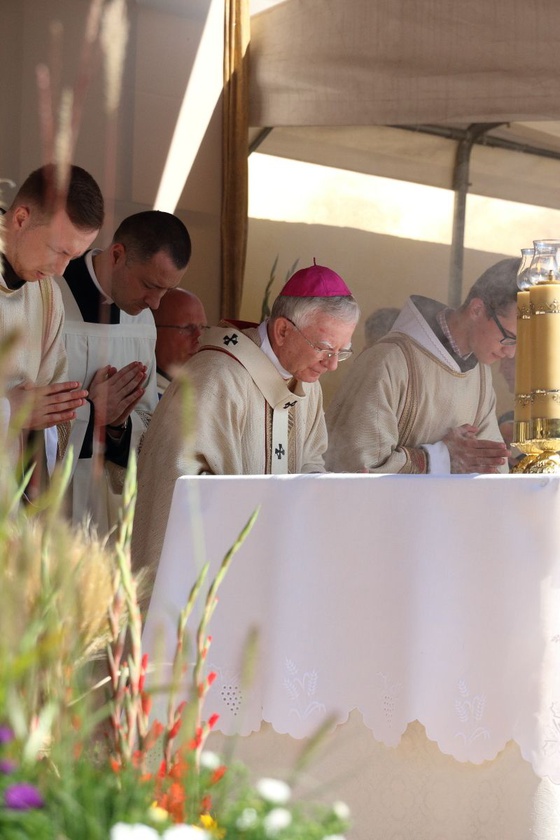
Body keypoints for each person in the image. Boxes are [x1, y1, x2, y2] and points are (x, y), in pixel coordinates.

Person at [132, 260, 360, 599]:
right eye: (325, 349)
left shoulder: (308, 384)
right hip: (213, 574)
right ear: (283, 331)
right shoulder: (215, 376)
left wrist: (325, 489)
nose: (330, 365)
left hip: (272, 568)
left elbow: (311, 460)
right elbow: (174, 482)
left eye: (342, 353)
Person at [55, 210, 192, 536]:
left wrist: (116, 425)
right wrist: (91, 414)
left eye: (166, 291)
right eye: (149, 285)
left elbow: (147, 423)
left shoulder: (141, 318)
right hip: (48, 507)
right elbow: (21, 409)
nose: (156, 304)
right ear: (117, 255)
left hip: (108, 511)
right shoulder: (50, 294)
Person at [325, 258, 519, 474]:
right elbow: (355, 467)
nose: (510, 352)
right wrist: (437, 458)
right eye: (509, 338)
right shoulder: (388, 361)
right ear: (476, 309)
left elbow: (492, 467)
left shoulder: (481, 376)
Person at [0, 163, 104, 487]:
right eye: (58, 250)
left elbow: (50, 411)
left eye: (72, 257)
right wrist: (7, 411)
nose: (61, 269)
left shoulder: (47, 297)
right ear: (21, 219)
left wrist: (42, 418)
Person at [153, 287, 208, 397]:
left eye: (203, 327)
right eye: (187, 328)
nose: (199, 338)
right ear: (154, 331)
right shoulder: (148, 400)